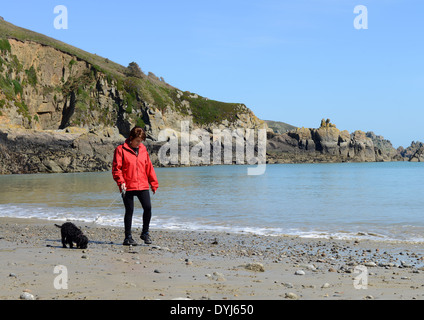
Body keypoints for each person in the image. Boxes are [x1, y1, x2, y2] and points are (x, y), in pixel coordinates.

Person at [112, 126, 159, 246]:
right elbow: (117, 168)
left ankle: (145, 233)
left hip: (142, 185)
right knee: (129, 211)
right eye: (138, 141)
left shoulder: (143, 149)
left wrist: (153, 183)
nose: (139, 143)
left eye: (141, 141)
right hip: (127, 186)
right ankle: (128, 237)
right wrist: (121, 182)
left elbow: (148, 167)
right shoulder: (120, 150)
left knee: (148, 208)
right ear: (131, 138)